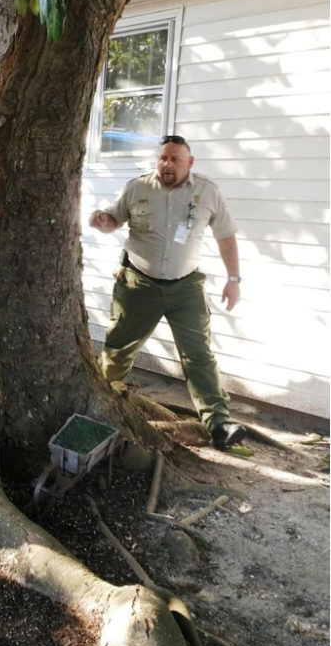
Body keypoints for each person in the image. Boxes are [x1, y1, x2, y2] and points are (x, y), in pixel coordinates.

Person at [88, 134, 245, 450]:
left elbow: (225, 236)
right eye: (163, 158)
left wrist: (234, 278)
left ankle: (218, 424)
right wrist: (102, 221)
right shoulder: (138, 188)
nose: (167, 164)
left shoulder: (207, 192)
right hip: (139, 285)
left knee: (198, 356)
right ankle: (100, 407)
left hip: (186, 287)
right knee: (118, 349)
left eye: (175, 158)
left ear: (190, 162)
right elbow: (114, 220)